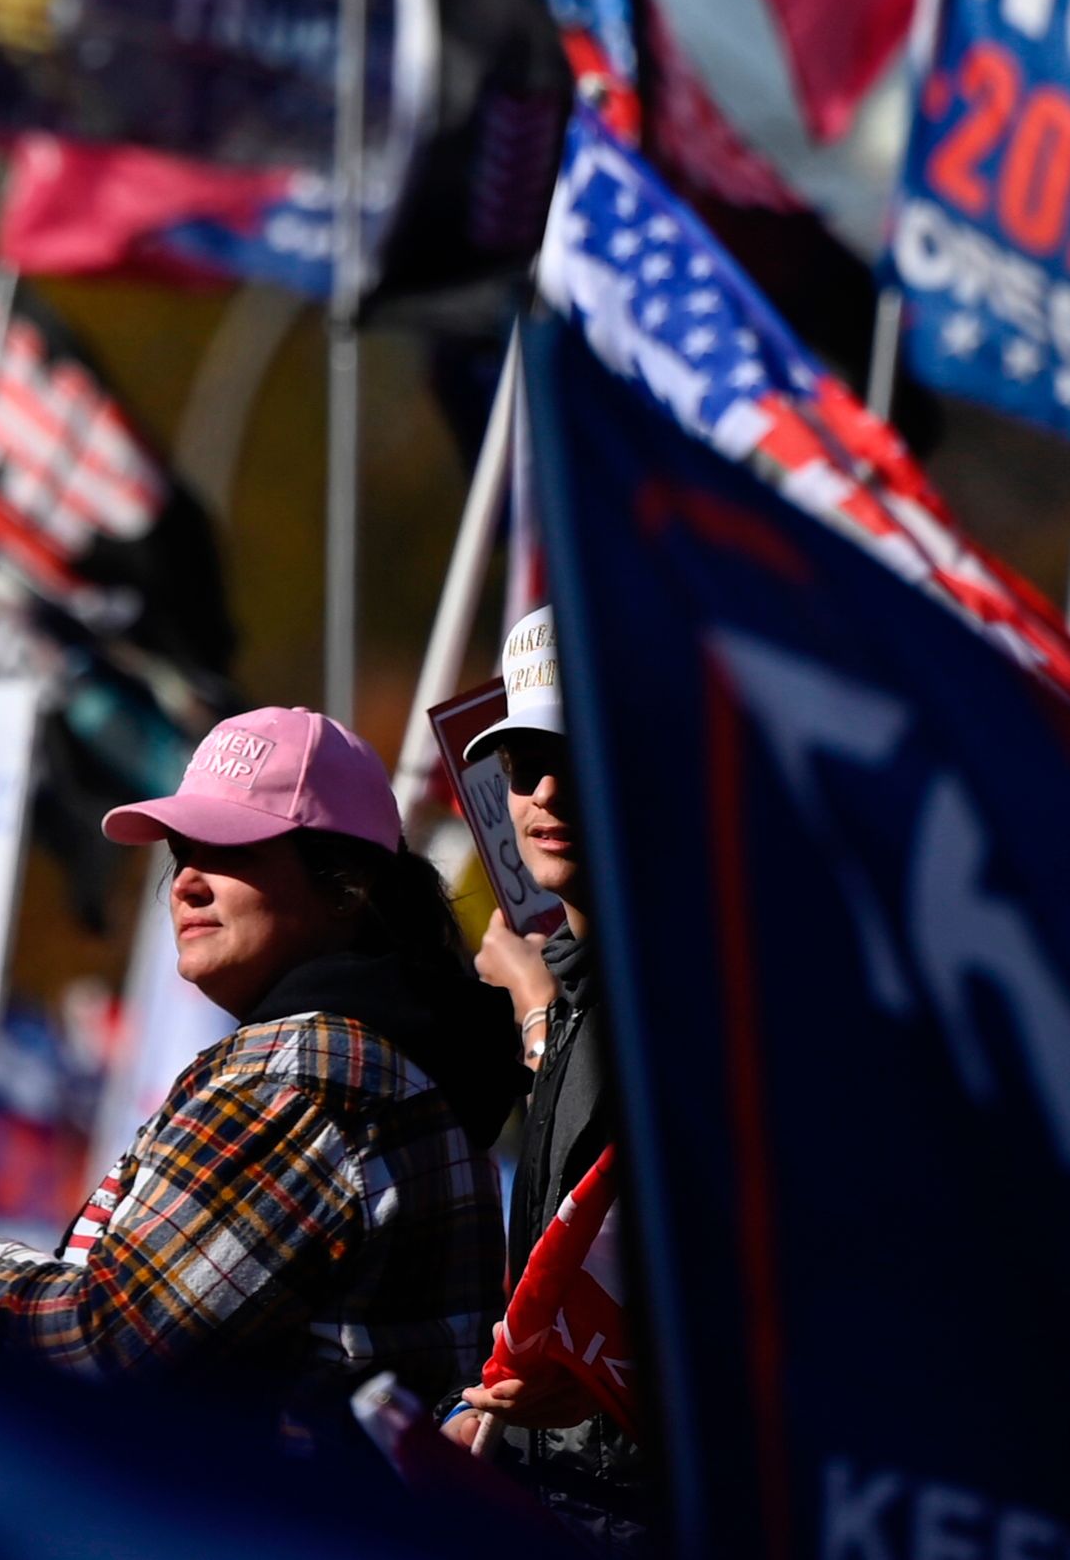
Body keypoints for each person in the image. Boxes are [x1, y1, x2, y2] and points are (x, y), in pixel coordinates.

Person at [0, 706, 520, 1409]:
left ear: (344, 884)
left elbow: (115, 1340)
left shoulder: (301, 1074)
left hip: (270, 1511)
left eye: (234, 849)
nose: (185, 882)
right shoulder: (369, 1053)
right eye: (184, 852)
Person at [441, 609, 656, 1544]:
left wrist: (582, 1386)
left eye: (584, 751)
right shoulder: (579, 987)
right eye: (525, 766)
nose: (549, 791)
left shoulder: (692, 997)